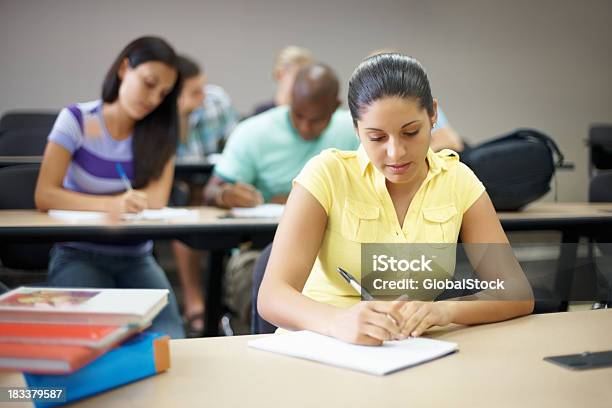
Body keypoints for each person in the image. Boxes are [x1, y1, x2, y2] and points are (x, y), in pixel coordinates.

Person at [258, 53, 534, 345]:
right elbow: (272, 295)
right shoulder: (327, 174)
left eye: (411, 133)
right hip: (320, 347)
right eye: (377, 137)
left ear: (433, 115)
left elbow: (515, 291)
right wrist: (336, 321)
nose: (396, 153)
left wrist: (444, 311)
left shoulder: (457, 180)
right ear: (355, 128)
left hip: (406, 351)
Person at [35, 36, 185, 338]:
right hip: (78, 252)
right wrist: (112, 204)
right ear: (123, 68)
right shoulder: (76, 120)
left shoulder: (160, 135)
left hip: (137, 256)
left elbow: (155, 201)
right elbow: (45, 194)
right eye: (149, 83)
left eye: (163, 93)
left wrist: (125, 203)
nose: (154, 99)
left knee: (170, 341)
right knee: (83, 343)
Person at [203, 63, 359, 332]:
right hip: (256, 246)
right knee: (267, 283)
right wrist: (226, 194)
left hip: (337, 250)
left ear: (334, 107)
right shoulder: (253, 133)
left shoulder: (357, 130)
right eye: (298, 115)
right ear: (290, 100)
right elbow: (210, 191)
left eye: (316, 119)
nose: (305, 127)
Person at [172, 55, 239, 336]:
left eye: (203, 88)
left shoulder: (217, 102)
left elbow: (237, 147)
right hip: (176, 190)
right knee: (184, 212)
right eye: (194, 92)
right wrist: (181, 116)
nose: (203, 97)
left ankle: (222, 302)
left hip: (215, 180)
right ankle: (194, 301)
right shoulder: (159, 116)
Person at [251, 45, 314, 116]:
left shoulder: (307, 115)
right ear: (280, 75)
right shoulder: (262, 113)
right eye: (298, 77)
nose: (303, 83)